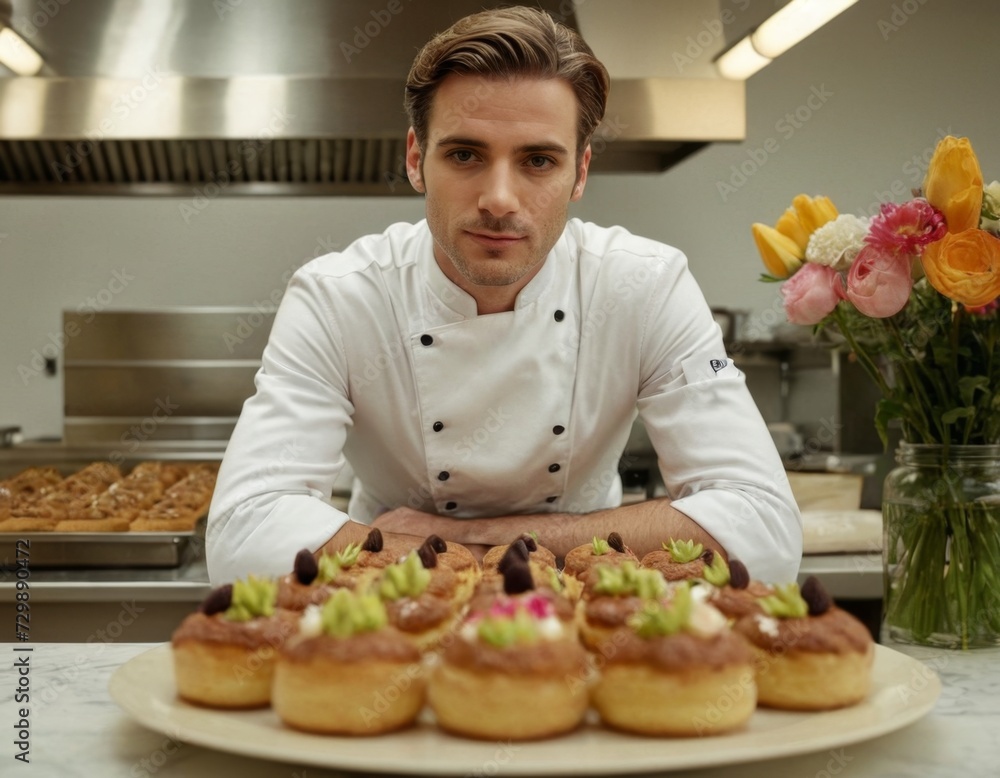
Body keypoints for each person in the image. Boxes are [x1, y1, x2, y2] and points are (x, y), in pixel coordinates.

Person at [206, 6, 802, 585]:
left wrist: (468, 541)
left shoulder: (644, 286)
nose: (499, 198)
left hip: (594, 608)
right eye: (465, 154)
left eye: (538, 160)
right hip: (385, 606)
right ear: (416, 160)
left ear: (581, 173)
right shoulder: (338, 298)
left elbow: (765, 531)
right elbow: (242, 537)